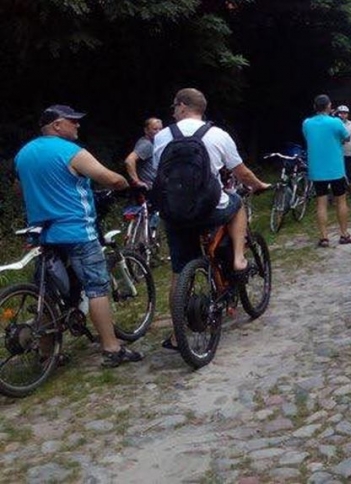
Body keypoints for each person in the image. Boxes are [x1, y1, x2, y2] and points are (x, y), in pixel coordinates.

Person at [15, 104, 143, 368]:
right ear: (56, 125)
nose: (77, 125)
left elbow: (20, 189)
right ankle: (112, 348)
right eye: (72, 121)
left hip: (42, 234)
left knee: (48, 293)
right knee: (97, 287)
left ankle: (47, 355)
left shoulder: (23, 154)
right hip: (76, 231)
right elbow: (109, 179)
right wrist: (124, 182)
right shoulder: (71, 152)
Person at [153, 89, 269, 348]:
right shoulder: (218, 135)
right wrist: (259, 185)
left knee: (179, 271)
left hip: (175, 211)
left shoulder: (162, 136)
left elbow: (160, 174)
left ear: (183, 106)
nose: (173, 111)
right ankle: (238, 258)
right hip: (210, 208)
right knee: (236, 203)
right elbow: (241, 172)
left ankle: (177, 335)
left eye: (174, 106)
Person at [302, 94, 351, 247]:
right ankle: (344, 234)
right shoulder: (336, 122)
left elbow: (308, 138)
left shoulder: (307, 123)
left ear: (315, 107)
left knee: (321, 203)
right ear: (329, 106)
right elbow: (346, 137)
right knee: (341, 200)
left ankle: (324, 237)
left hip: (317, 169)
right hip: (335, 168)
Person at [124, 117, 163, 189]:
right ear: (146, 130)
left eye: (160, 129)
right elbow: (129, 161)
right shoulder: (146, 144)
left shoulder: (151, 142)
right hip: (148, 188)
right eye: (155, 129)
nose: (159, 132)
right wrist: (137, 181)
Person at [334, 105, 351, 182]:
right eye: (341, 113)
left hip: (350, 151)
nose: (343, 115)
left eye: (345, 113)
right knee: (340, 171)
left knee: (349, 170)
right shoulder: (336, 124)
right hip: (340, 151)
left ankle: (350, 184)